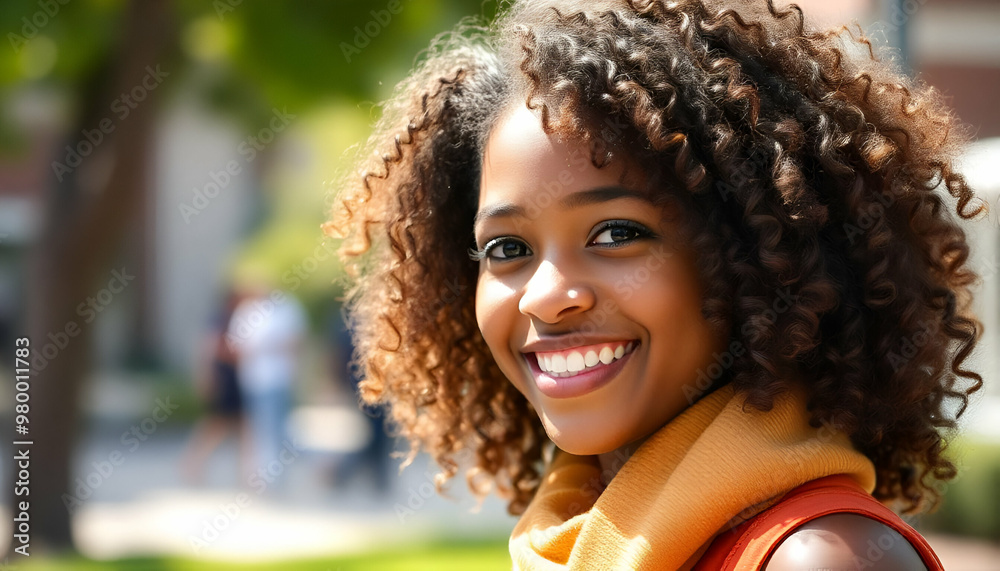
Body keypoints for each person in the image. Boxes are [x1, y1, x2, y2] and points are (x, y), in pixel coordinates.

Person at [326, 1, 984, 568]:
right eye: (507, 248)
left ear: (760, 251)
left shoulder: (812, 557)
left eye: (615, 234)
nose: (544, 295)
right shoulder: (570, 536)